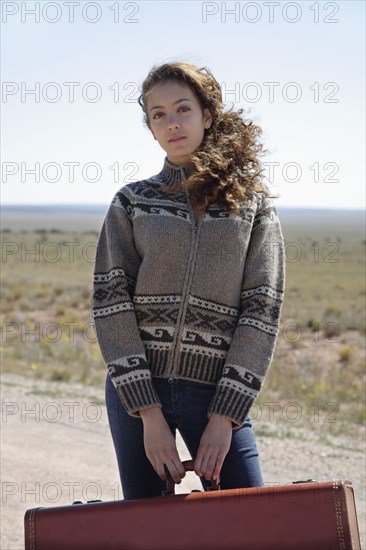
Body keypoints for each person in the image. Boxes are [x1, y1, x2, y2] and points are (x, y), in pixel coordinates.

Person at [91, 61, 285, 500]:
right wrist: (147, 413)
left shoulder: (251, 207)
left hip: (216, 393)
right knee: (149, 530)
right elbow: (111, 302)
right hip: (140, 395)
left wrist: (224, 417)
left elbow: (262, 311)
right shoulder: (131, 201)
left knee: (248, 524)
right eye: (158, 114)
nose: (172, 123)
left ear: (207, 115)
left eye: (183, 109)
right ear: (150, 126)